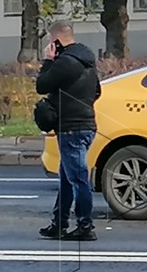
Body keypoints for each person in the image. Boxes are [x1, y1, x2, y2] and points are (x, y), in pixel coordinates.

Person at [35, 21, 101, 241]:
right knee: (67, 177)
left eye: (49, 42)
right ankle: (59, 223)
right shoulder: (87, 60)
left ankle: (85, 226)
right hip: (87, 126)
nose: (48, 46)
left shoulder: (65, 63)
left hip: (71, 128)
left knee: (79, 178)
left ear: (56, 42)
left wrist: (47, 61)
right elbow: (97, 91)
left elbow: (42, 85)